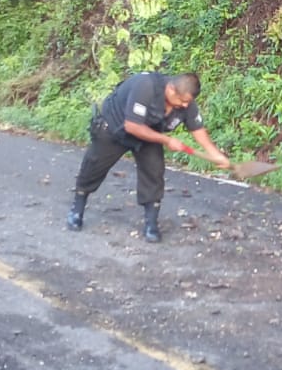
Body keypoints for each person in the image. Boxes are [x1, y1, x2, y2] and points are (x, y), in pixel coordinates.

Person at [66, 71, 230, 242]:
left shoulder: (185, 102)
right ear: (171, 89)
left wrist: (216, 155)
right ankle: (77, 209)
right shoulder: (146, 86)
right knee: (93, 166)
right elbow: (132, 126)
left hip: (148, 132)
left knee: (154, 171)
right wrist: (167, 140)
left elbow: (198, 130)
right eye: (182, 101)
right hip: (115, 128)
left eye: (187, 102)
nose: (184, 105)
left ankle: (151, 224)